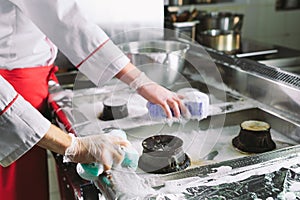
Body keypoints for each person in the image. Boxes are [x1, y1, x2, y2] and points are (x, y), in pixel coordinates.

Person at [0, 1, 185, 200]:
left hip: (30, 87)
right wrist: (74, 146)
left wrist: (141, 82)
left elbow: (67, 21)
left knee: (25, 187)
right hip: (11, 95)